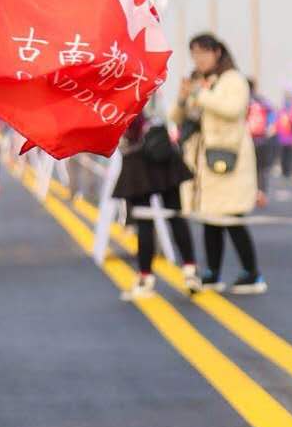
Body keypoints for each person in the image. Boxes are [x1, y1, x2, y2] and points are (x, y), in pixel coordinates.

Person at [170, 34, 265, 294]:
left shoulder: (233, 80)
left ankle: (252, 274)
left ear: (218, 52)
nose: (198, 59)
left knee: (232, 217)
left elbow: (232, 109)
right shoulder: (198, 82)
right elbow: (177, 117)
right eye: (194, 54)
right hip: (204, 163)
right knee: (210, 217)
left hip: (228, 159)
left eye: (203, 52)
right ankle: (212, 273)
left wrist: (199, 93)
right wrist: (183, 97)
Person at [112, 109, 198, 300]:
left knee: (145, 222)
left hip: (137, 158)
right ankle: (190, 271)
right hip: (162, 148)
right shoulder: (147, 91)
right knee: (175, 216)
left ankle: (145, 278)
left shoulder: (114, 98)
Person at [246, 78, 278, 207]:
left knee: (247, 168)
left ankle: (248, 194)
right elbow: (274, 117)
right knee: (261, 168)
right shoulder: (262, 101)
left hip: (247, 140)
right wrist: (268, 130)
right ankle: (261, 193)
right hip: (263, 140)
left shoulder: (243, 100)